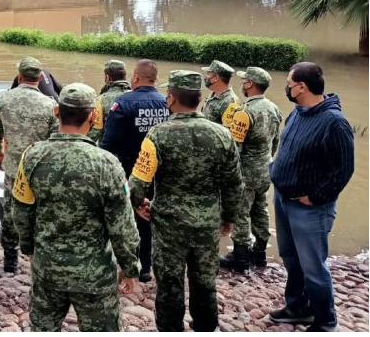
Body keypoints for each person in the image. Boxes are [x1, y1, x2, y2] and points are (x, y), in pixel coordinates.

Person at [12, 83, 140, 331]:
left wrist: (29, 247)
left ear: (57, 113)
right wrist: (130, 266)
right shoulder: (107, 163)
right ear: (93, 116)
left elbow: (21, 210)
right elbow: (122, 224)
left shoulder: (32, 156)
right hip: (94, 273)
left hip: (47, 267)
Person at [129, 70, 243, 332]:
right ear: (200, 98)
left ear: (170, 99)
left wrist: (139, 204)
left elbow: (137, 182)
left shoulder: (157, 135)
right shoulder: (222, 135)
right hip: (207, 224)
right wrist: (229, 217)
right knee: (205, 282)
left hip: (169, 224)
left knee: (169, 283)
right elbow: (234, 183)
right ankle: (205, 328)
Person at [268, 62, 354, 331]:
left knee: (313, 267)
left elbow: (343, 170)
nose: (287, 88)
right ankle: (298, 307)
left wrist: (316, 197)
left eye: (290, 83)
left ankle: (326, 322)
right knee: (290, 258)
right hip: (284, 199)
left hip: (309, 209)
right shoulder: (298, 112)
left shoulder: (335, 123)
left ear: (301, 87)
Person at [100, 59, 169, 281]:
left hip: (129, 171)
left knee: (128, 217)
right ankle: (147, 267)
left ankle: (130, 265)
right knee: (151, 217)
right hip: (160, 173)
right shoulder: (167, 102)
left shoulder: (123, 103)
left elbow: (108, 144)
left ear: (136, 78)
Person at [0, 56, 57, 273]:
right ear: (40, 77)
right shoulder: (51, 104)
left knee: (10, 214)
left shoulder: (3, 99)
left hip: (13, 169)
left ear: (19, 76)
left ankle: (10, 265)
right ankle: (41, 265)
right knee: (41, 214)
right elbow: (56, 138)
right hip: (40, 171)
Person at [220, 66, 282, 272]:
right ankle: (260, 252)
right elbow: (275, 143)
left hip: (246, 173)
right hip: (266, 170)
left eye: (245, 81)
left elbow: (235, 149)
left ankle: (240, 256)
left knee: (241, 213)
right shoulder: (274, 108)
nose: (243, 84)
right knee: (260, 209)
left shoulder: (244, 113)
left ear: (250, 84)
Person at [87, 59, 132, 140]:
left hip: (109, 150)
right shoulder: (137, 97)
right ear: (125, 76)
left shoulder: (101, 100)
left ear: (107, 77)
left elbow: (95, 133)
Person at [201, 60, 240, 127]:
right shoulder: (213, 94)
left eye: (208, 74)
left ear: (216, 78)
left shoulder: (231, 102)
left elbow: (228, 133)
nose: (206, 77)